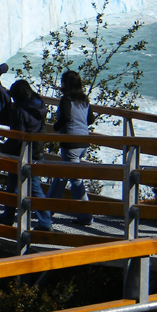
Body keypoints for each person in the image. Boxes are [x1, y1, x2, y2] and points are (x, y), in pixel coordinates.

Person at [1, 80, 53, 230]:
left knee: (14, 187)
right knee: (35, 189)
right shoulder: (39, 105)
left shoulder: (20, 111)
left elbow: (17, 136)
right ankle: (43, 221)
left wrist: (5, 152)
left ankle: (10, 218)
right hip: (37, 151)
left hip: (21, 154)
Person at [46, 70, 96, 226]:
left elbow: (66, 117)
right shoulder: (84, 100)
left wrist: (56, 126)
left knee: (75, 180)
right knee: (61, 176)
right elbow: (91, 119)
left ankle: (85, 216)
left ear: (65, 83)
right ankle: (47, 208)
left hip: (70, 142)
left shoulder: (66, 99)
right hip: (83, 142)